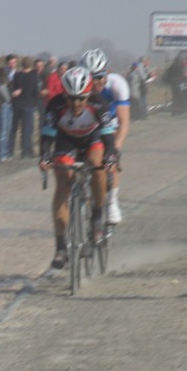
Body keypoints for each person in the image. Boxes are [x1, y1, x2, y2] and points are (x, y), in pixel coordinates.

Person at [39, 66, 116, 269]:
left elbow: (108, 138)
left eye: (81, 98)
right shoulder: (55, 106)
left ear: (89, 94)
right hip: (67, 141)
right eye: (71, 99)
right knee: (63, 183)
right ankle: (61, 248)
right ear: (64, 95)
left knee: (97, 165)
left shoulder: (99, 103)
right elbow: (47, 137)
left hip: (93, 139)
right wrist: (44, 157)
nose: (76, 104)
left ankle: (97, 217)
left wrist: (110, 158)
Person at [80, 48, 130, 224]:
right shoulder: (79, 86)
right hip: (89, 122)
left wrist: (117, 146)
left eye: (100, 76)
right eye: (92, 77)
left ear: (107, 73)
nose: (97, 82)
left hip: (111, 122)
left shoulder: (117, 85)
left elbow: (124, 121)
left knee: (111, 156)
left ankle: (112, 202)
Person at [10, 56, 39, 158]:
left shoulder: (17, 75)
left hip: (17, 104)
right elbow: (36, 92)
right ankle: (26, 151)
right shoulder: (33, 76)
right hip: (29, 104)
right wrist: (35, 104)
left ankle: (9, 150)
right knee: (27, 129)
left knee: (13, 129)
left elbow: (13, 88)